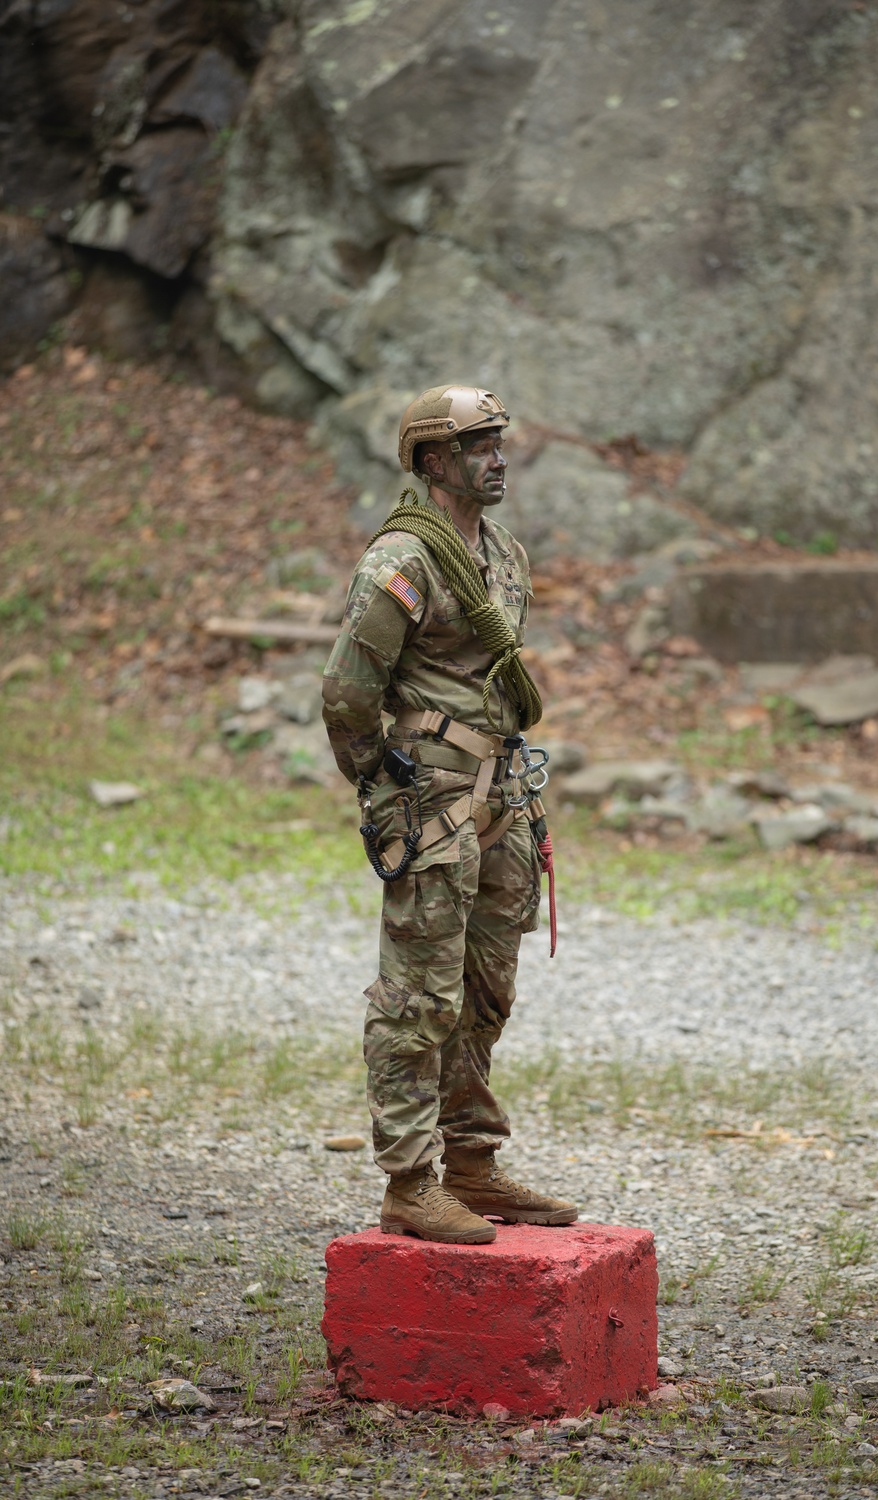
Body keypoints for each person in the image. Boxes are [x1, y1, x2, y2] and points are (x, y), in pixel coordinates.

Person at [321, 384, 577, 1244]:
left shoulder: (504, 554)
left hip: (502, 799)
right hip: (430, 804)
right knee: (416, 998)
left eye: (500, 441)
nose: (498, 457)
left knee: (483, 992)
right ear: (434, 460)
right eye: (478, 445)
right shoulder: (402, 561)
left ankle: (472, 1164)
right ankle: (409, 1181)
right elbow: (347, 694)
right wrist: (382, 790)